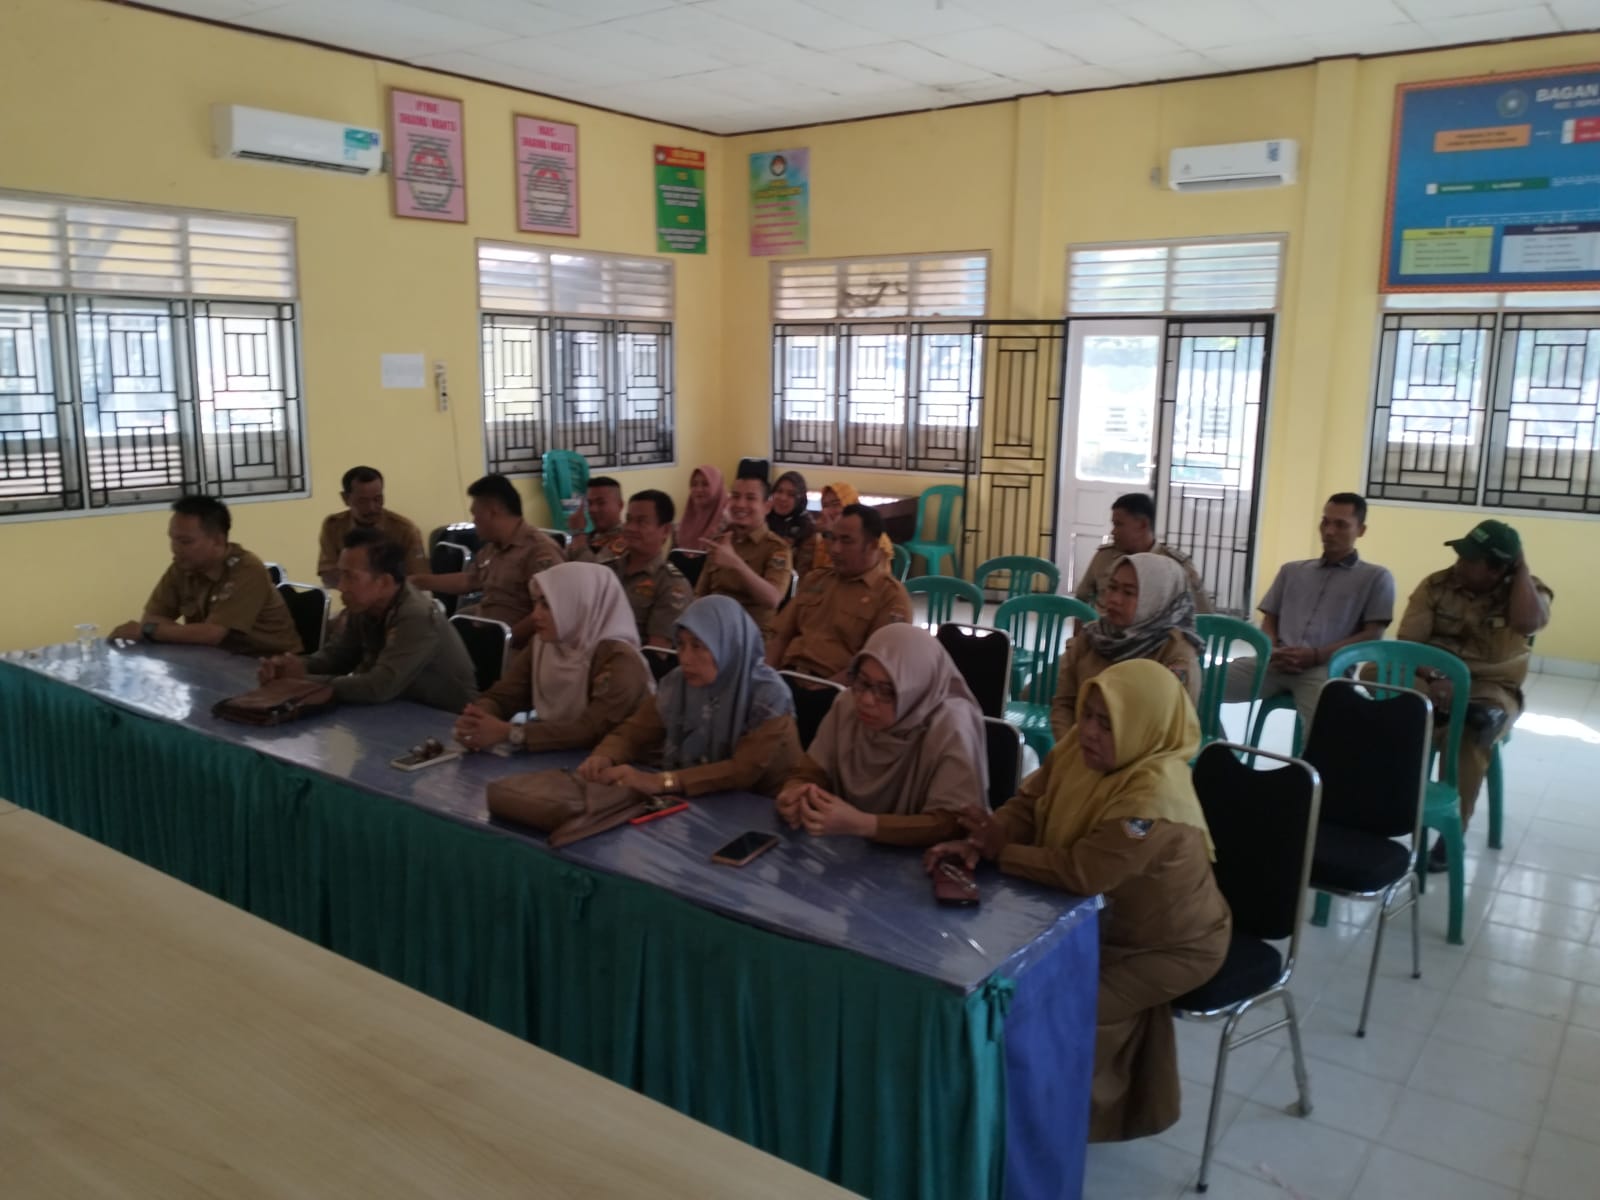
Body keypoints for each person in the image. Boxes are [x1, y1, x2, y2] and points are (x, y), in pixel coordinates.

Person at [926, 660, 1230, 1142]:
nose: (1088, 731)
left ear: (1143, 727)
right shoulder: (1080, 751)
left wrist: (999, 851)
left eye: (1107, 723)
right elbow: (1029, 802)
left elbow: (1083, 872)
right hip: (1096, 923)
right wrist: (991, 835)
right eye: (1087, 715)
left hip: (1169, 947)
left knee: (1052, 1005)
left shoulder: (1154, 798)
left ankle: (1047, 1130)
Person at [1397, 519, 1552, 869]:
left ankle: (1451, 834)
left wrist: (1522, 568)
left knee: (1471, 736)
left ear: (1498, 569)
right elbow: (1408, 643)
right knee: (1378, 673)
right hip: (1432, 676)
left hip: (1491, 687)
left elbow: (1529, 623)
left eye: (1470, 560)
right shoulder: (1436, 585)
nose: (1459, 564)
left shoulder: (1528, 591)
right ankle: (1387, 806)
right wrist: (1435, 675)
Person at [777, 624, 988, 845]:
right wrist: (796, 793)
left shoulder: (951, 726)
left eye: (887, 691)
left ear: (915, 689)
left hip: (919, 862)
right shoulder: (848, 705)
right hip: (847, 851)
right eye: (863, 682)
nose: (867, 700)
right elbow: (811, 771)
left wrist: (864, 825)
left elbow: (953, 824)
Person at [578, 595, 801, 797]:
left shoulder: (769, 695)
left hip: (764, 806)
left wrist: (662, 781)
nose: (685, 658)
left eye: (698, 646)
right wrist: (605, 757)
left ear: (728, 644)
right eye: (681, 645)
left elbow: (742, 770)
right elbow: (635, 731)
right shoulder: (678, 683)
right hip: (700, 796)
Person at [1223, 492, 1395, 735]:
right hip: (1275, 663)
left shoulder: (1376, 578)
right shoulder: (1292, 571)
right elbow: (1270, 619)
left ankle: (1309, 773)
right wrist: (1271, 649)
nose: (1329, 531)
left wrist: (1316, 656)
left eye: (1341, 524)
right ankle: (1216, 754)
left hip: (1326, 670)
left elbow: (1372, 635)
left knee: (1326, 727)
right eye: (1325, 521)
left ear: (1361, 530)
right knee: (1192, 686)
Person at [257, 529, 476, 711]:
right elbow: (336, 658)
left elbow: (378, 687)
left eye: (350, 577)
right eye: (341, 575)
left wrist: (303, 680)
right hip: (393, 711)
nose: (341, 586)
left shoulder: (417, 616)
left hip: (442, 720)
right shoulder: (364, 606)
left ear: (384, 582)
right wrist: (287, 668)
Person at [453, 562, 652, 754]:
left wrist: (510, 733)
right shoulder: (544, 644)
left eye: (547, 605)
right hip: (559, 755)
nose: (535, 615)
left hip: (622, 766)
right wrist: (478, 718)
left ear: (579, 605)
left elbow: (591, 730)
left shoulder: (620, 660)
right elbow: (504, 696)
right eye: (536, 603)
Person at [111, 495, 300, 656]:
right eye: (173, 539)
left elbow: (212, 634)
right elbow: (152, 617)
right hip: (213, 661)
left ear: (217, 541)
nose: (176, 548)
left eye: (185, 541)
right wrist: (187, 633)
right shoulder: (182, 566)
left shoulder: (247, 569)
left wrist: (149, 631)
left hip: (269, 666)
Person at [1052, 554, 1203, 741]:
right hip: (1080, 753)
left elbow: (1170, 733)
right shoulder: (1092, 637)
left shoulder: (1175, 654)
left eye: (1128, 593)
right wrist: (1072, 752)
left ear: (1156, 598)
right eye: (1112, 588)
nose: (1114, 599)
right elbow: (1064, 704)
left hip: (1144, 766)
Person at [410, 474, 563, 650]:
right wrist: (418, 581)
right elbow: (471, 580)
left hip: (515, 644)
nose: (474, 522)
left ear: (493, 511)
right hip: (484, 630)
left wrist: (505, 640)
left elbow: (553, 606)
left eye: (476, 515)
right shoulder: (494, 546)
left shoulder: (539, 550)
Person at [767, 504, 913, 681]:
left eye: (846, 541)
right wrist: (767, 678)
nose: (835, 549)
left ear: (873, 545)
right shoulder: (817, 579)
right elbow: (781, 637)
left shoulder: (890, 596)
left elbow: (878, 663)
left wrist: (823, 690)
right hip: (787, 676)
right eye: (832, 538)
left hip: (836, 690)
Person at [1074, 494, 1211, 614]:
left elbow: (1204, 614)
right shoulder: (1104, 558)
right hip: (1104, 639)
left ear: (1143, 525)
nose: (1113, 532)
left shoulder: (1176, 566)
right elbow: (1081, 600)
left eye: (1119, 524)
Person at [694, 475, 793, 634]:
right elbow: (700, 595)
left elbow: (772, 599)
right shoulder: (721, 541)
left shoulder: (776, 548)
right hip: (714, 631)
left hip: (751, 637)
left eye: (750, 498)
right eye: (735, 496)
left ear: (767, 507)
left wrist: (735, 564)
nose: (740, 504)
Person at [315, 465, 427, 587]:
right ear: (345, 498)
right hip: (353, 598)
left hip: (396, 600)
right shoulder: (334, 526)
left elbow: (419, 578)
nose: (372, 508)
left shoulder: (404, 529)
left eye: (378, 499)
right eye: (362, 501)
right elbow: (327, 575)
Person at [612, 489, 693, 649]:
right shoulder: (608, 569)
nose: (631, 528)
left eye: (641, 522)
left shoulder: (671, 584)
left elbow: (656, 653)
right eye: (629, 520)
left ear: (665, 531)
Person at [812, 481, 891, 569]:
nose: (826, 512)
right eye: (825, 506)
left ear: (850, 503)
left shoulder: (874, 535)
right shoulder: (823, 537)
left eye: (835, 504)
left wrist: (830, 534)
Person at [565, 475, 626, 564]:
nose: (593, 509)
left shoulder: (626, 539)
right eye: (590, 503)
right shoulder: (590, 537)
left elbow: (594, 572)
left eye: (601, 503)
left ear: (620, 505)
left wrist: (578, 534)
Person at [768, 470, 819, 574]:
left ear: (799, 499)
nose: (783, 498)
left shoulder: (806, 528)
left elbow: (802, 573)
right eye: (779, 491)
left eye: (791, 494)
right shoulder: (764, 518)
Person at [676, 464, 727, 550]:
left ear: (716, 488)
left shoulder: (727, 524)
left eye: (705, 484)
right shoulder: (683, 524)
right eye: (694, 484)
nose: (699, 489)